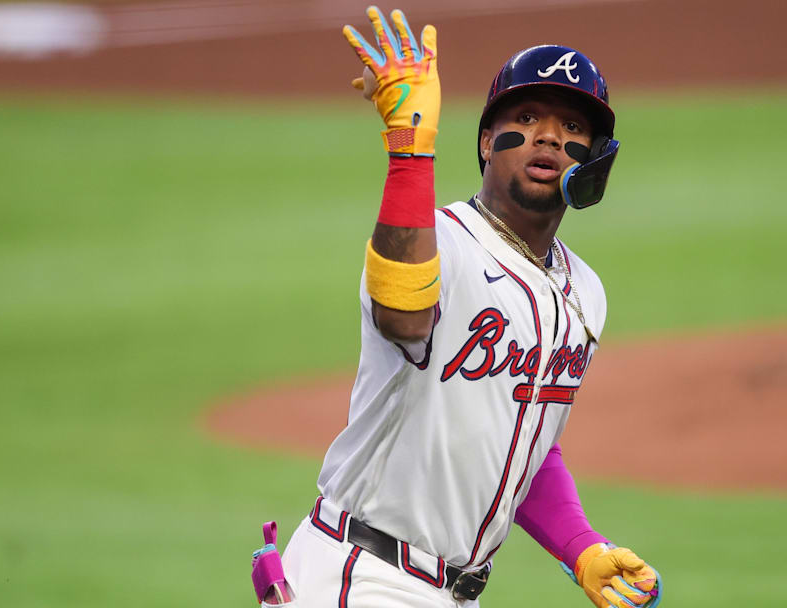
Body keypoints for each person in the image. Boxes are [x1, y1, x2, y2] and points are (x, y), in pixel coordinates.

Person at [254, 6, 662, 607]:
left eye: (573, 127)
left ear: (596, 158)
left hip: (454, 594)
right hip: (362, 574)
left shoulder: (586, 292)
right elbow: (404, 315)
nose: (549, 136)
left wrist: (581, 546)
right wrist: (409, 152)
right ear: (485, 142)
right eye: (525, 118)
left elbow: (524, 442)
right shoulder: (434, 242)